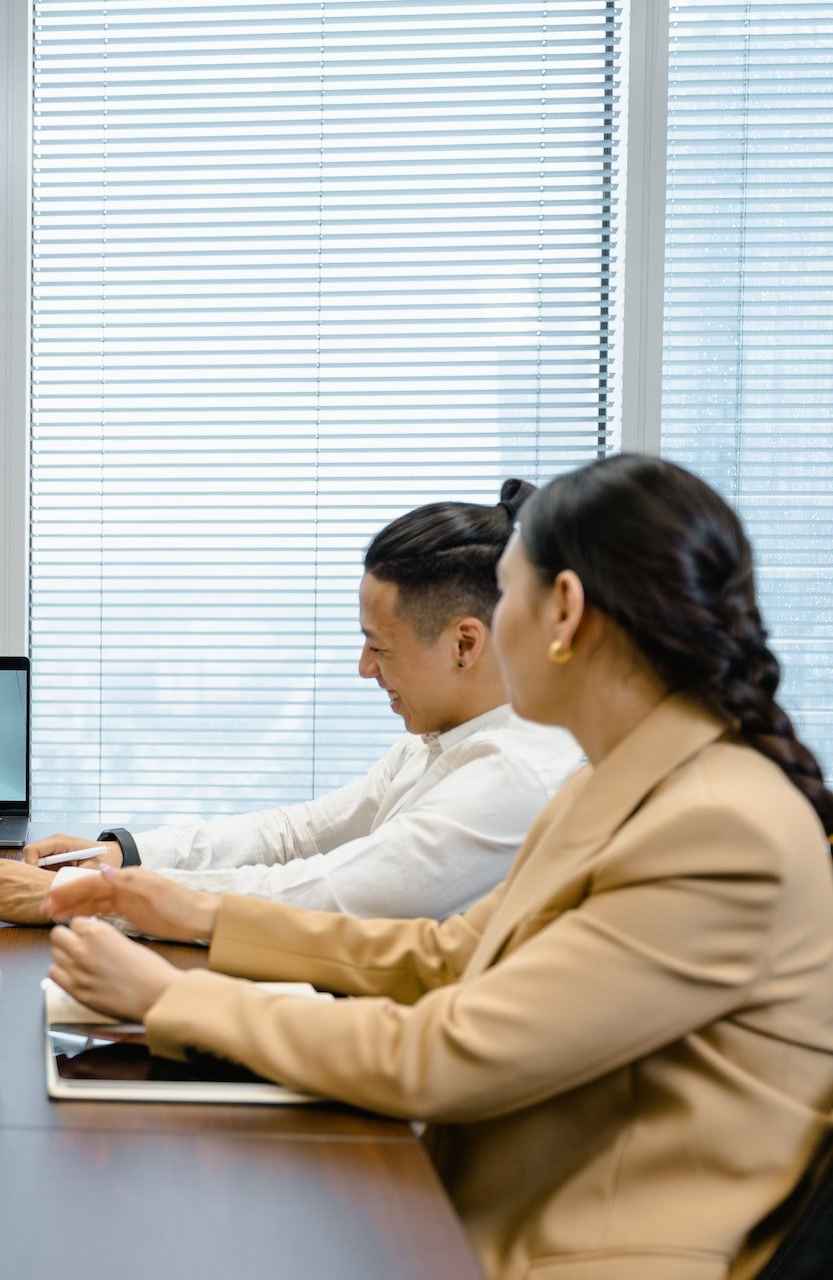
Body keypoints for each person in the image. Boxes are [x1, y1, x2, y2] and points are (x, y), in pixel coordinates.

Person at [44, 455, 833, 1280]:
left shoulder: (715, 826)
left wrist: (172, 995)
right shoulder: (616, 784)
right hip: (472, 1207)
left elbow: (447, 1054)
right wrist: (195, 915)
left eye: (509, 595)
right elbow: (446, 958)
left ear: (563, 610)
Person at [0, 481, 582, 924]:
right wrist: (125, 854)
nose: (363, 669)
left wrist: (81, 895)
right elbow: (296, 834)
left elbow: (327, 893)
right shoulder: (443, 738)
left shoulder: (512, 777)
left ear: (464, 645)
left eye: (378, 648)